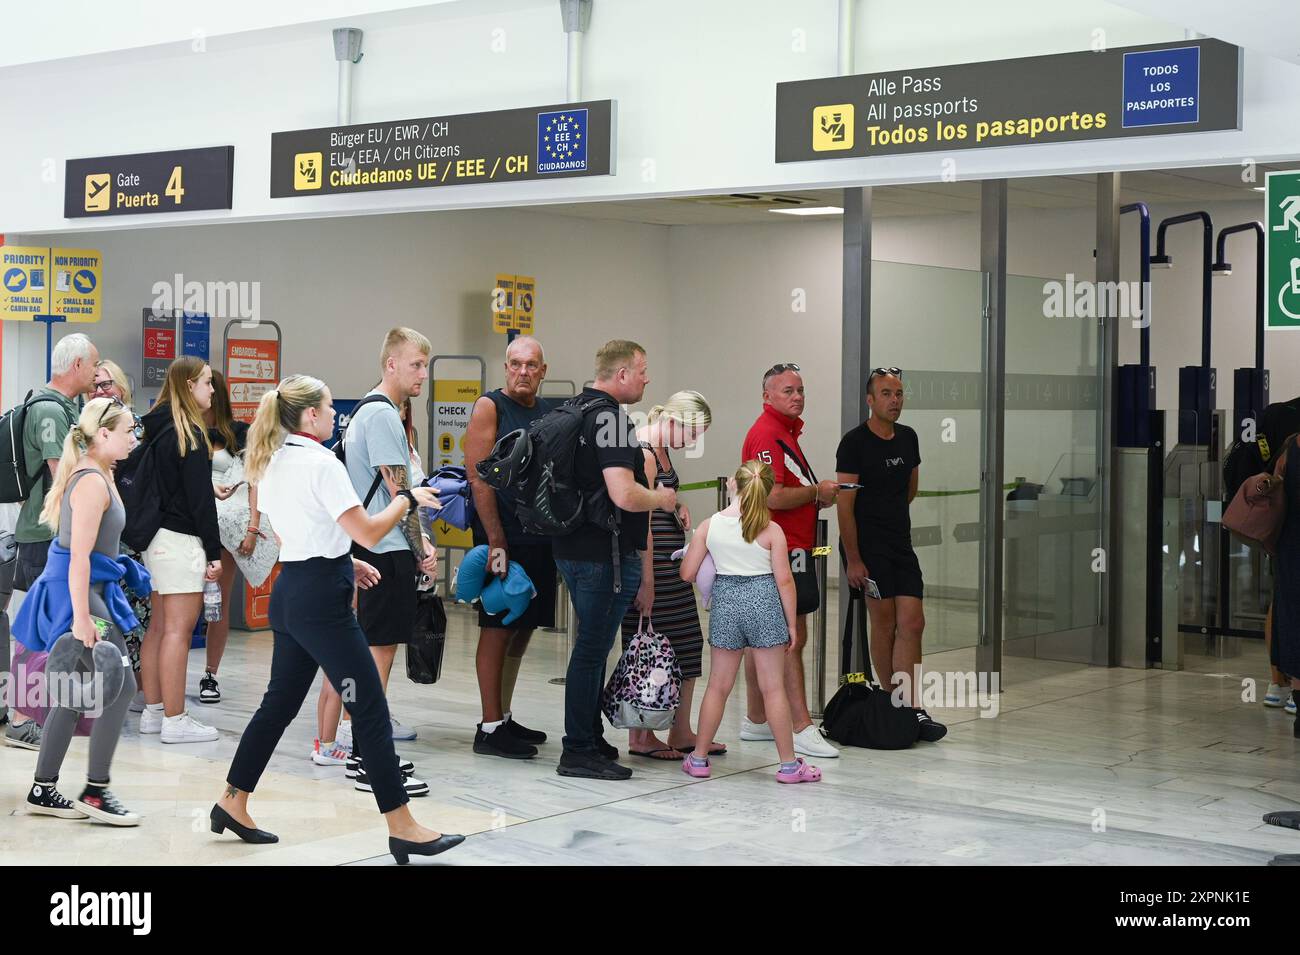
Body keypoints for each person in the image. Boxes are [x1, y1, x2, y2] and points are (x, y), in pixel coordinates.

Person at [211, 375, 463, 862]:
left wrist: (344, 561)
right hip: (322, 604)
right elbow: (367, 529)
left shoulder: (272, 459)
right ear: (309, 417)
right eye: (328, 409)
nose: (334, 416)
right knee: (367, 705)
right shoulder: (322, 463)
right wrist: (407, 500)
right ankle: (402, 824)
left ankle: (233, 800)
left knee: (279, 704)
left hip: (293, 593)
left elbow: (296, 533)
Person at [17, 397, 145, 823]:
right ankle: (95, 791)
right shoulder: (91, 481)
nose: (134, 438)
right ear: (103, 434)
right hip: (82, 592)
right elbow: (79, 559)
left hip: (91, 590)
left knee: (73, 691)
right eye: (128, 430)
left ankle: (43, 787)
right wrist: (83, 618)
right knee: (122, 686)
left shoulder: (101, 473)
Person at [553, 340, 675, 780]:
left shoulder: (575, 410)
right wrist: (660, 498)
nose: (647, 378)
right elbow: (624, 492)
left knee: (592, 645)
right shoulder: (611, 420)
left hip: (569, 548)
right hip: (602, 554)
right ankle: (578, 748)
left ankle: (590, 736)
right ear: (622, 374)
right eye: (642, 370)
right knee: (591, 650)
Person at [679, 460, 821, 783]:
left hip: (726, 603)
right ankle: (788, 766)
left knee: (718, 685)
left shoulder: (710, 525)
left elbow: (686, 573)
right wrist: (791, 624)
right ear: (767, 491)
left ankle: (699, 758)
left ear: (733, 485)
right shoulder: (772, 530)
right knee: (773, 689)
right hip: (764, 601)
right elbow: (785, 581)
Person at [339, 328, 438, 762]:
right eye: (416, 365)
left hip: (379, 541)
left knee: (374, 646)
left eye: (426, 366)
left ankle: (359, 730)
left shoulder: (375, 411)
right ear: (391, 364)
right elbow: (402, 492)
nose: (423, 374)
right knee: (377, 651)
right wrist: (422, 551)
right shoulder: (380, 415)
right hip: (384, 546)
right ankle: (365, 740)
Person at [836, 367, 946, 741]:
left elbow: (909, 489)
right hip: (868, 547)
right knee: (883, 624)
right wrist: (854, 559)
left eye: (898, 394)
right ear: (870, 400)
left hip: (900, 544)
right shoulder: (854, 442)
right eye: (886, 394)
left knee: (913, 622)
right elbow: (844, 508)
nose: (894, 400)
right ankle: (893, 702)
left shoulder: (908, 438)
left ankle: (913, 707)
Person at [739, 363, 840, 759]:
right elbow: (772, 496)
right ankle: (800, 726)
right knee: (790, 638)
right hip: (780, 550)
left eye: (800, 390)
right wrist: (817, 492)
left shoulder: (785, 433)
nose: (796, 397)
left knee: (766, 639)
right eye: (787, 391)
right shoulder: (766, 433)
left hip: (791, 546)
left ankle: (757, 719)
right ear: (767, 397)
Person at [5, 332, 99, 751]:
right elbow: (63, 472)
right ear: (77, 365)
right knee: (37, 629)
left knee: (46, 625)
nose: (98, 374)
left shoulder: (63, 407)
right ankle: (21, 717)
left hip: (50, 532)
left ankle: (33, 710)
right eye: (94, 365)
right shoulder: (49, 410)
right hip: (46, 533)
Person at [617, 390, 723, 760]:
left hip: (672, 565)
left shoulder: (663, 451)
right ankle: (641, 735)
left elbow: (658, 501)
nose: (693, 442)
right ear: (675, 421)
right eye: (692, 433)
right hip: (653, 568)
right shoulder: (645, 453)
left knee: (688, 644)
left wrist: (677, 505)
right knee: (648, 647)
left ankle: (680, 729)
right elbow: (641, 522)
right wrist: (646, 582)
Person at [463, 335, 555, 758]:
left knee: (522, 626)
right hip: (500, 536)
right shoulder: (490, 407)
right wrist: (496, 541)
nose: (523, 371)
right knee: (497, 625)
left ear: (543, 371)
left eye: (531, 365)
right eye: (516, 364)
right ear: (505, 367)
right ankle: (488, 726)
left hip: (535, 536)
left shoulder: (547, 410)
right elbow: (479, 477)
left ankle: (503, 714)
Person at [136, 356, 224, 744]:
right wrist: (214, 551)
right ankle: (176, 719)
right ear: (189, 386)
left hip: (156, 539)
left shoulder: (156, 428)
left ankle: (154, 712)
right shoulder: (189, 433)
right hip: (181, 539)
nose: (212, 389)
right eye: (207, 382)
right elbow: (199, 501)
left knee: (158, 627)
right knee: (178, 631)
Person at [196, 369, 265, 705]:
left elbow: (255, 482)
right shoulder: (181, 431)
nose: (205, 390)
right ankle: (166, 675)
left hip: (228, 530)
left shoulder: (239, 434)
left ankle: (210, 674)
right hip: (187, 526)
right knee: (180, 604)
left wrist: (253, 527)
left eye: (210, 384)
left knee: (217, 604)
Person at [1260, 435, 1300, 737]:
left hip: (1291, 547)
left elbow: (1276, 488)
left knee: (1292, 617)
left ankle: (1291, 695)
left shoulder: (1291, 446)